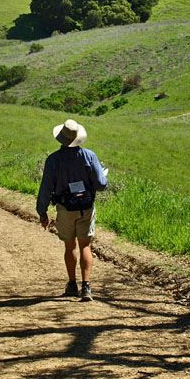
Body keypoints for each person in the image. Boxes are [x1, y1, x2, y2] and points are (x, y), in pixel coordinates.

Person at [36, 119, 108, 302]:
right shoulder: (89, 156)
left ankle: (72, 283)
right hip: (85, 206)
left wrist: (42, 213)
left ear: (61, 138)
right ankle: (86, 286)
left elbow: (45, 188)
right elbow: (101, 184)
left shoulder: (53, 160)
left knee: (70, 246)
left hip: (64, 208)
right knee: (85, 245)